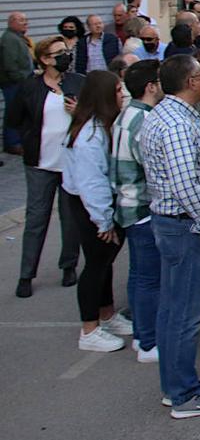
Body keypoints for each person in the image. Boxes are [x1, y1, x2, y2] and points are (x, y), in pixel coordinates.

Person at [139, 55, 200, 418]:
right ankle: (183, 393)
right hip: (185, 225)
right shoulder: (176, 125)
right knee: (184, 313)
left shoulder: (166, 115)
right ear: (192, 82)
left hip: (174, 223)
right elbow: (184, 182)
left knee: (172, 309)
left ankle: (175, 383)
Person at [59, 69, 132, 353]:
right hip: (89, 206)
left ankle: (107, 314)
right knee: (96, 265)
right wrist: (103, 221)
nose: (121, 95)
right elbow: (93, 183)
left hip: (94, 203)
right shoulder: (89, 136)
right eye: (117, 91)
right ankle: (89, 329)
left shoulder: (100, 125)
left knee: (104, 262)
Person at [8, 36, 83, 298]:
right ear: (45, 59)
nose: (66, 55)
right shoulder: (30, 86)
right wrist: (27, 140)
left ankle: (69, 265)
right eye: (59, 52)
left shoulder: (77, 82)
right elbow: (14, 119)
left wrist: (78, 113)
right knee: (36, 219)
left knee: (70, 218)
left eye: (66, 51)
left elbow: (93, 115)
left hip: (70, 163)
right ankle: (26, 274)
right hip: (40, 163)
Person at [110, 60, 164, 362]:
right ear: (150, 86)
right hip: (141, 207)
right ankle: (148, 340)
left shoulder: (128, 114)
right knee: (149, 278)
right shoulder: (143, 121)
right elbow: (152, 167)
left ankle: (142, 331)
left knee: (139, 274)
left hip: (129, 205)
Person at [1, 12, 34, 154]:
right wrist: (21, 78)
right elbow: (10, 64)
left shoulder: (18, 38)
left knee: (21, 111)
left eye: (26, 20)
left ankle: (20, 140)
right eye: (21, 20)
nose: (25, 22)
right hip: (14, 83)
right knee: (13, 112)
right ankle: (12, 143)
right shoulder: (9, 39)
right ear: (11, 22)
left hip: (21, 81)